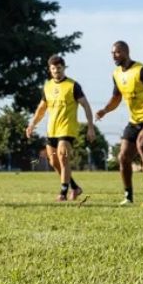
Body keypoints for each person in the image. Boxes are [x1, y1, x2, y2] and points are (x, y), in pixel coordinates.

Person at [94, 41, 143, 206]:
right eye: (112, 53)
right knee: (123, 156)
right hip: (134, 120)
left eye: (117, 52)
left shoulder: (141, 71)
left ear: (126, 52)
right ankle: (128, 197)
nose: (114, 55)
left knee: (142, 144)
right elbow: (116, 98)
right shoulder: (116, 74)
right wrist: (104, 110)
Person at [26, 54, 95, 202]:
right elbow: (41, 108)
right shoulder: (48, 86)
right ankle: (75, 188)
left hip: (67, 129)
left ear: (64, 68)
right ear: (49, 70)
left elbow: (86, 105)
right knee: (54, 162)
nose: (56, 71)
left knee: (63, 158)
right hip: (52, 129)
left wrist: (90, 127)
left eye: (59, 68)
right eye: (53, 68)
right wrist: (32, 124)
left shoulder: (73, 86)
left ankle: (63, 193)